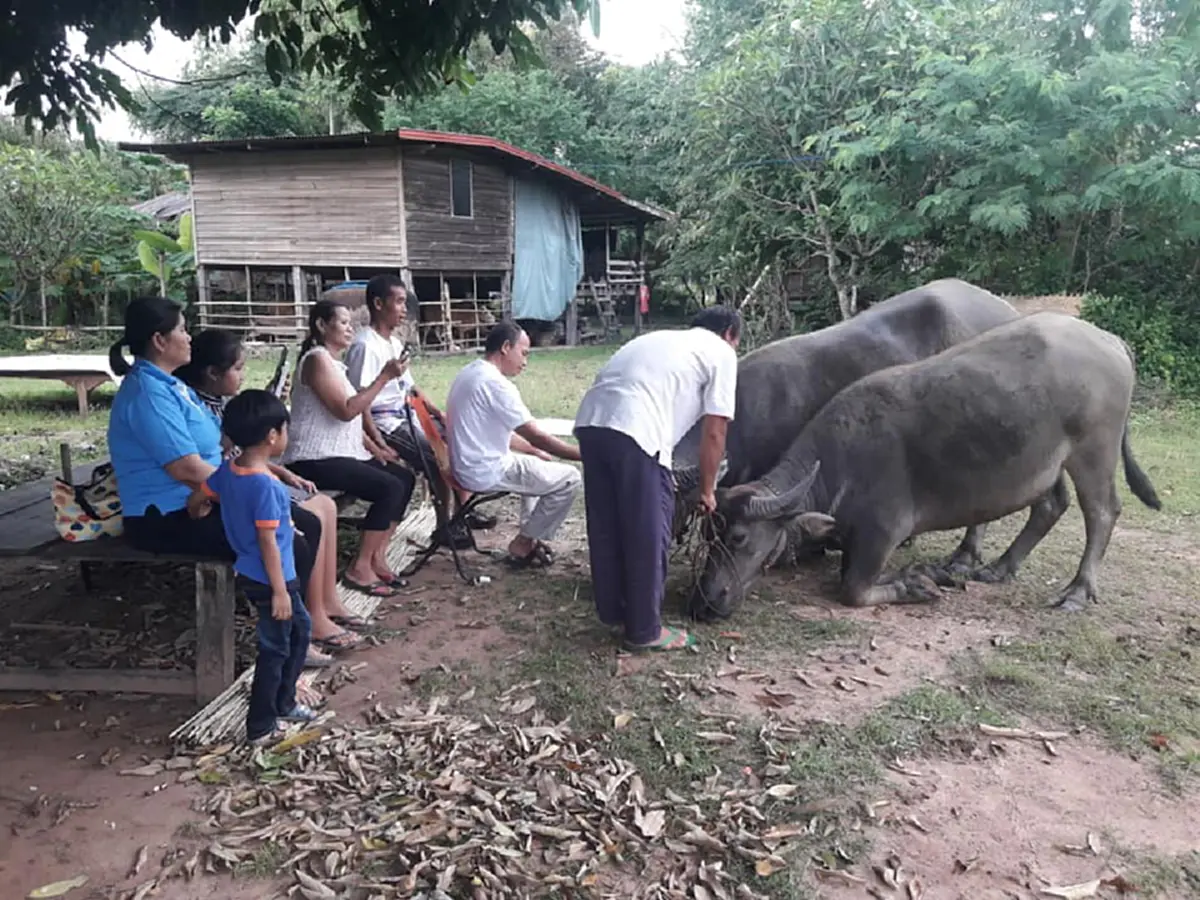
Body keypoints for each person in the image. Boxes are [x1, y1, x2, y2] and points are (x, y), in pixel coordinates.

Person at [106, 298, 323, 653]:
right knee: (289, 539)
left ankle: (298, 630)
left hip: (205, 498)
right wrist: (248, 493)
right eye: (182, 329)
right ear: (160, 340)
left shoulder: (174, 387)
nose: (189, 337)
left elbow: (219, 445)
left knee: (306, 524)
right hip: (168, 516)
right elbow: (187, 469)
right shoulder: (148, 393)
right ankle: (286, 643)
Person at [175, 329, 371, 661]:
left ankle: (325, 602)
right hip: (241, 486)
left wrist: (281, 471)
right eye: (237, 368)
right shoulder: (197, 406)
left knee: (325, 505)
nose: (243, 374)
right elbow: (229, 461)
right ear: (212, 373)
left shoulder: (220, 404)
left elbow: (243, 452)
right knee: (308, 522)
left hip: (245, 478)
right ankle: (309, 620)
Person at [573, 306, 742, 652]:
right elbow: (716, 430)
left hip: (591, 424)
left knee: (607, 524)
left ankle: (616, 611)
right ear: (729, 334)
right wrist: (708, 490)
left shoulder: (659, 340)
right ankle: (645, 631)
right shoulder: (721, 352)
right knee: (647, 532)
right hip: (636, 430)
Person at [188, 390, 316, 745]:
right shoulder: (265, 487)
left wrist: (197, 511)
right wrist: (280, 591)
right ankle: (261, 725)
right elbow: (267, 544)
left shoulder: (230, 471)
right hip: (271, 578)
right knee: (275, 649)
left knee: (300, 632)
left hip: (252, 570)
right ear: (273, 436)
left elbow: (200, 495)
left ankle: (284, 701)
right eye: (285, 429)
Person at [345, 274, 495, 548]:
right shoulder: (365, 346)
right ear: (378, 303)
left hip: (406, 414)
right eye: (399, 302)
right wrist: (377, 441)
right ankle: (444, 526)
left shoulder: (394, 343)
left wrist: (439, 415)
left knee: (456, 439)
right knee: (436, 457)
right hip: (384, 422)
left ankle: (463, 511)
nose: (404, 309)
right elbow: (358, 401)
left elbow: (411, 388)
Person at [281, 300, 418, 597]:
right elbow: (346, 410)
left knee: (404, 478)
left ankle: (376, 556)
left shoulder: (336, 365)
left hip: (340, 454)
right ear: (321, 325)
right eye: (343, 322)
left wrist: (376, 448)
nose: (349, 329)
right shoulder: (316, 360)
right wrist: (384, 377)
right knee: (388, 487)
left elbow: (351, 421)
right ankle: (359, 568)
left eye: (350, 324)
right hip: (312, 458)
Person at [445, 321, 582, 567]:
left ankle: (529, 537)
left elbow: (499, 432)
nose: (525, 362)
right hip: (484, 469)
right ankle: (524, 542)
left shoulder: (471, 372)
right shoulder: (495, 384)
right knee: (570, 478)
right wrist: (582, 454)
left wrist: (533, 450)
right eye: (524, 353)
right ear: (506, 347)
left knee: (537, 463)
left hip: (470, 464)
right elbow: (535, 434)